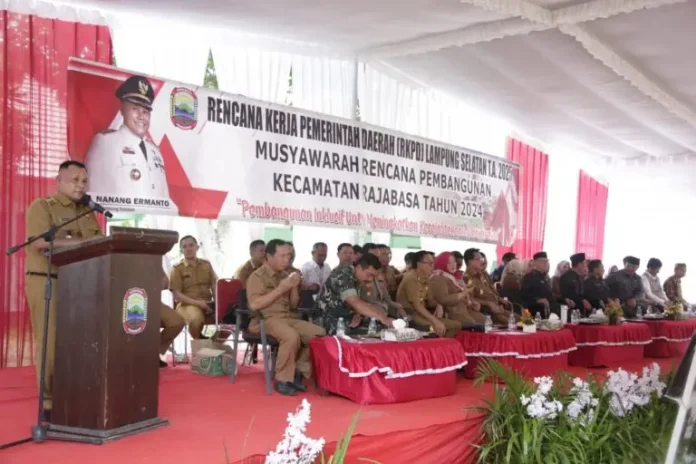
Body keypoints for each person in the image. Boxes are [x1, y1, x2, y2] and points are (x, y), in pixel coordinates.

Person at [24, 160, 104, 418]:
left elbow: (99, 244)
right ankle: (48, 402)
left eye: (84, 181)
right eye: (74, 180)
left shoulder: (87, 212)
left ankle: (74, 394)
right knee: (51, 342)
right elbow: (39, 244)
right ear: (59, 181)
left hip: (81, 282)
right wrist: (88, 242)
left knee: (79, 341)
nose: (80, 186)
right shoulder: (43, 206)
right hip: (48, 280)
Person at [247, 239, 326, 395]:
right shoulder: (257, 276)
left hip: (287, 317)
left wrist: (294, 287)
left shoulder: (285, 275)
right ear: (269, 256)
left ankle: (297, 371)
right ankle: (282, 379)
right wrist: (282, 287)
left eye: (288, 256)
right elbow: (255, 304)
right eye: (282, 256)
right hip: (265, 319)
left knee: (319, 334)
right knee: (291, 336)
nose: (287, 260)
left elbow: (293, 305)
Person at [84, 75, 173, 206]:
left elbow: (165, 198)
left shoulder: (155, 151)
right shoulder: (106, 143)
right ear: (122, 110)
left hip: (155, 219)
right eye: (135, 109)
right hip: (120, 218)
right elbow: (93, 196)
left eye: (145, 111)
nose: (141, 116)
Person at [315, 253, 396, 334]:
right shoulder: (343, 274)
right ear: (359, 267)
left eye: (374, 277)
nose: (371, 279)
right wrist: (383, 318)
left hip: (344, 317)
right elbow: (354, 302)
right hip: (326, 319)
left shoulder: (357, 278)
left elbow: (357, 304)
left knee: (378, 327)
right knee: (374, 331)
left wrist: (358, 314)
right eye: (369, 274)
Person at [397, 251, 462, 337]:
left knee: (456, 325)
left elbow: (430, 301)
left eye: (433, 263)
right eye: (429, 263)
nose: (432, 266)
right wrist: (435, 321)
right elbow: (417, 306)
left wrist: (439, 305)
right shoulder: (411, 278)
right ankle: (437, 344)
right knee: (444, 326)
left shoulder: (425, 277)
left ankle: (440, 344)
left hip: (421, 314)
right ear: (419, 264)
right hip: (410, 316)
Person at [169, 236, 218, 339]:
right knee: (196, 319)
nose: (188, 249)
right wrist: (198, 303)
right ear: (181, 251)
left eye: (191, 245)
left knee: (230, 318)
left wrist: (218, 304)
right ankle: (200, 344)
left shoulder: (206, 265)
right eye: (184, 247)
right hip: (186, 305)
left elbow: (214, 286)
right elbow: (177, 295)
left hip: (208, 303)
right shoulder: (177, 269)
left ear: (197, 247)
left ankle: (212, 344)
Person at [429, 252, 485, 325]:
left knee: (482, 319)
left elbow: (464, 298)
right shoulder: (438, 277)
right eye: (449, 263)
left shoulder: (456, 278)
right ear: (442, 263)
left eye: (454, 262)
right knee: (473, 325)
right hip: (451, 313)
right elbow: (443, 299)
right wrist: (463, 294)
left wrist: (472, 303)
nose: (453, 265)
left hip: (463, 310)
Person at [462, 248, 514, 324]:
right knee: (511, 324)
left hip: (497, 308)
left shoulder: (482, 275)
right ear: (470, 261)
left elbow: (491, 291)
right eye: (478, 259)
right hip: (486, 312)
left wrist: (499, 300)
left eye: (482, 259)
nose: (482, 262)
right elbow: (470, 298)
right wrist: (489, 304)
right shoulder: (466, 279)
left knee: (519, 319)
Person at [159, 263, 185, 368]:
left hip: (153, 302)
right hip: (129, 301)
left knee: (177, 322)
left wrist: (149, 284)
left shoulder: (151, 257)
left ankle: (152, 353)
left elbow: (165, 283)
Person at [520, 252, 558, 318]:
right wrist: (538, 300)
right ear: (535, 263)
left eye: (547, 261)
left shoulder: (545, 277)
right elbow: (523, 296)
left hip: (550, 308)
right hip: (536, 310)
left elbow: (549, 294)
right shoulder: (529, 277)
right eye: (543, 261)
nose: (546, 263)